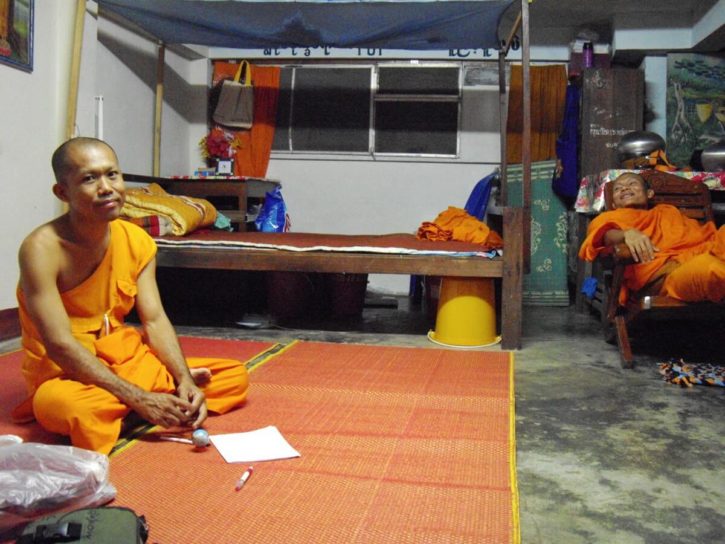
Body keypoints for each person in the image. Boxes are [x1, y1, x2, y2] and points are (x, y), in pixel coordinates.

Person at [13, 137, 249, 455]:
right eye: (89, 178)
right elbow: (59, 345)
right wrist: (139, 396)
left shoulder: (136, 240)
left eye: (112, 174)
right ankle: (141, 402)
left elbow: (154, 320)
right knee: (67, 408)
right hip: (69, 376)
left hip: (125, 362)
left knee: (233, 376)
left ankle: (142, 401)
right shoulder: (41, 248)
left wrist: (183, 380)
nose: (106, 187)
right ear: (62, 192)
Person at [579, 172, 725, 304]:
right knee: (711, 268)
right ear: (613, 203)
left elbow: (703, 236)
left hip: (702, 253)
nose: (624, 189)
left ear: (649, 193)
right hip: (667, 277)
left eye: (632, 184)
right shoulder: (608, 218)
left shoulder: (666, 212)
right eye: (618, 189)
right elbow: (603, 236)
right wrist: (626, 234)